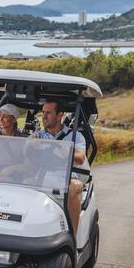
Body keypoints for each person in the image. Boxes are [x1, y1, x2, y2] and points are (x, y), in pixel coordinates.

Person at [32, 99, 86, 236]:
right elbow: (23, 152)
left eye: (48, 113)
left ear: (60, 115)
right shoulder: (38, 135)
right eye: (43, 112)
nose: (44, 116)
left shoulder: (74, 136)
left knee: (75, 187)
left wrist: (69, 152)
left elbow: (80, 158)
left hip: (65, 178)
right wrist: (30, 145)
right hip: (41, 176)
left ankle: (72, 238)